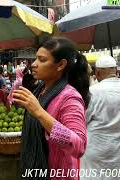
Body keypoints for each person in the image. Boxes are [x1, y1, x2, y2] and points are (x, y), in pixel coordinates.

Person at [12, 37, 90, 179]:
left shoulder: (70, 98)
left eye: (42, 60)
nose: (34, 64)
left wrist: (39, 112)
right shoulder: (40, 90)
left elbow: (79, 146)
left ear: (60, 65)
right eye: (35, 59)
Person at [80, 56, 120, 179]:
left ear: (98, 72)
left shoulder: (92, 92)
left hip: (97, 150)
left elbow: (82, 121)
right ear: (116, 70)